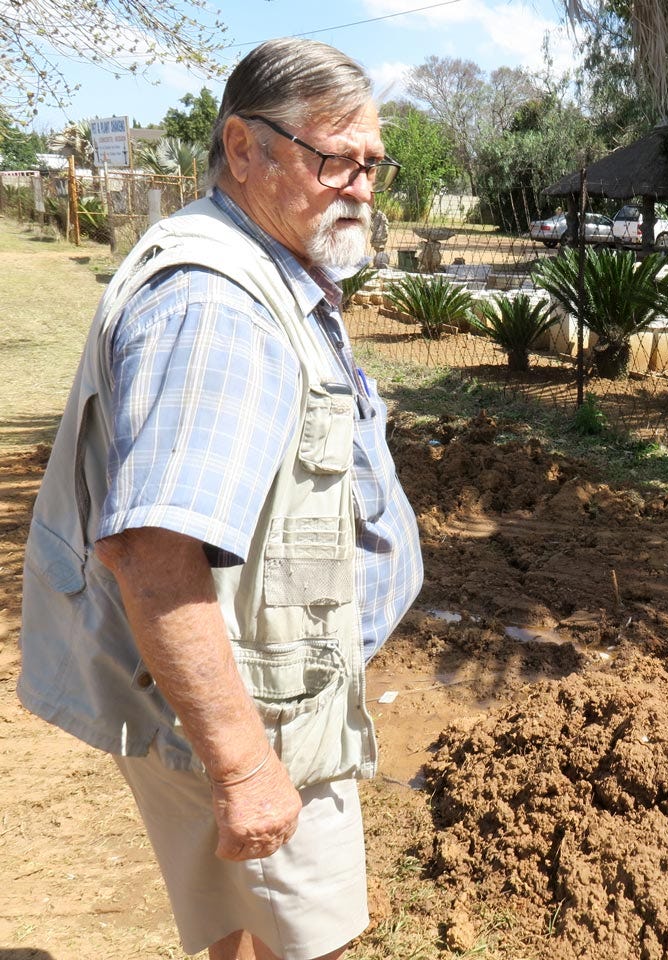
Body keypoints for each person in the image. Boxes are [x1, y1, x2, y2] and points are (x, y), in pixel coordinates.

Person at [18, 38, 423, 960]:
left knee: (243, 925)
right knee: (305, 941)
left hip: (262, 684)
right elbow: (154, 551)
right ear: (244, 150)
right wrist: (244, 767)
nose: (360, 186)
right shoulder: (218, 308)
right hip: (258, 708)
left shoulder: (259, 266)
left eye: (371, 163)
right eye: (335, 159)